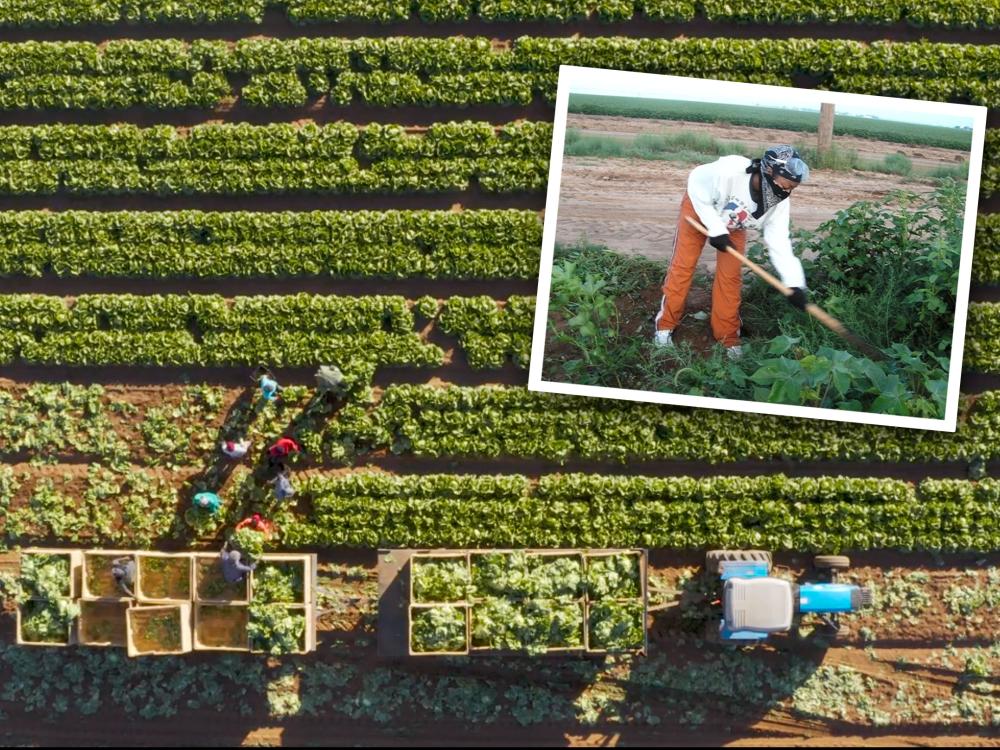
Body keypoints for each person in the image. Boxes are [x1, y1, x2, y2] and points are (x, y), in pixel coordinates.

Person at [653, 145, 810, 360]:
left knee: (731, 277)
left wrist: (794, 283)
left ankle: (728, 336)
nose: (786, 191)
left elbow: (780, 242)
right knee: (683, 266)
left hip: (734, 223)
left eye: (792, 187)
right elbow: (696, 179)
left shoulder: (780, 204)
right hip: (700, 210)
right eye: (785, 184)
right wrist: (716, 229)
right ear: (768, 172)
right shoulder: (730, 170)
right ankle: (665, 326)